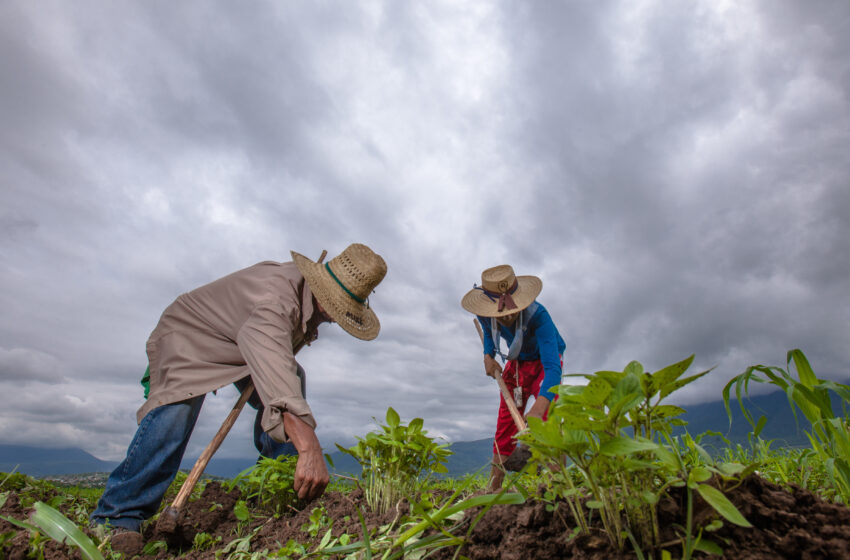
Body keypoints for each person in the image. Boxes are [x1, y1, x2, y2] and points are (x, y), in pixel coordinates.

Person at [90, 243, 387, 553]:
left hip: (238, 341)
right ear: (325, 296)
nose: (338, 319)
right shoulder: (277, 301)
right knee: (177, 409)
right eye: (339, 310)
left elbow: (280, 371)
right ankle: (117, 516)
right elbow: (278, 378)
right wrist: (309, 447)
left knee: (293, 381)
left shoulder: (303, 300)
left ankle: (275, 494)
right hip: (188, 336)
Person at [461, 264, 565, 491]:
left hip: (544, 363)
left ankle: (561, 485)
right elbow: (489, 333)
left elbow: (553, 369)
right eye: (501, 313)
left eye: (511, 311)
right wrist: (488, 355)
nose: (506, 317)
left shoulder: (539, 317)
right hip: (517, 362)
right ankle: (494, 486)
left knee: (549, 417)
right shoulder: (485, 313)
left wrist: (538, 408)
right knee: (506, 419)